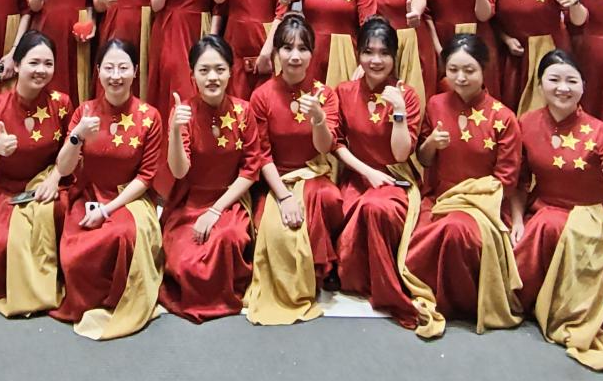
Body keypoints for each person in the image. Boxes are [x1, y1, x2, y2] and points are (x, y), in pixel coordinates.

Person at [510, 50, 603, 374]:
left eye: (571, 81)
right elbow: (519, 183)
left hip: (590, 217)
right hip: (541, 210)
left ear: (583, 85)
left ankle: (560, 308)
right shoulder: (526, 124)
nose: (563, 88)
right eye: (554, 79)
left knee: (551, 226)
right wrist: (516, 220)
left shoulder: (601, 132)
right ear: (540, 84)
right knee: (538, 227)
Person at [404, 34, 524, 331]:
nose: (460, 77)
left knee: (455, 229)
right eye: (453, 69)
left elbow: (506, 180)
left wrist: (468, 201)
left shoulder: (503, 117)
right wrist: (431, 143)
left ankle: (456, 303)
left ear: (484, 69)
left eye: (469, 70)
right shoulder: (435, 104)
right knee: (412, 236)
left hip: (482, 206)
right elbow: (424, 159)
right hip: (438, 198)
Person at [52, 39, 164, 340]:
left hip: (129, 197)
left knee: (122, 235)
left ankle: (120, 299)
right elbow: (64, 168)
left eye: (123, 68)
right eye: (109, 68)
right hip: (88, 193)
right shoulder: (85, 111)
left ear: (135, 71)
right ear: (98, 71)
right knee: (74, 256)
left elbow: (146, 177)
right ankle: (89, 302)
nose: (116, 76)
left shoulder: (150, 116)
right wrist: (76, 136)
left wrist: (108, 210)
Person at [245, 16, 344, 324]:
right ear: (276, 52)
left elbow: (325, 147)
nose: (295, 56)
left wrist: (318, 118)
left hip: (313, 173)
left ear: (313, 53)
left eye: (303, 48)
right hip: (275, 179)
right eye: (287, 48)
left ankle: (320, 270)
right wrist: (284, 196)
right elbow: (261, 155)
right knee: (276, 230)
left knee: (327, 197)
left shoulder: (324, 94)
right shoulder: (262, 95)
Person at [160, 36, 262, 322]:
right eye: (203, 70)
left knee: (228, 239)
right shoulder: (184, 112)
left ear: (230, 71)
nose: (212, 77)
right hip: (189, 201)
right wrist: (175, 131)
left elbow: (251, 170)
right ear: (192, 74)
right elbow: (179, 171)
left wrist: (216, 210)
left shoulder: (244, 111)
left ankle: (223, 295)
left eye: (219, 69)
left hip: (229, 200)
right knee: (186, 263)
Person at [333, 18, 426, 328]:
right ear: (358, 54)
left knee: (376, 207)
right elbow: (336, 143)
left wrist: (399, 112)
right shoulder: (344, 91)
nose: (375, 60)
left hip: (395, 179)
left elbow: (401, 154)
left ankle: (387, 291)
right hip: (357, 177)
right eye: (368, 52)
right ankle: (354, 278)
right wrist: (366, 172)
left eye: (384, 53)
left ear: (394, 57)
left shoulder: (406, 95)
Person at [0, 31, 69, 315]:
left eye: (48, 64)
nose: (41, 70)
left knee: (57, 223)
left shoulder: (61, 102)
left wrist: (54, 179)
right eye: (33, 63)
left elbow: (71, 152)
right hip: (3, 190)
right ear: (17, 64)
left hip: (49, 183)